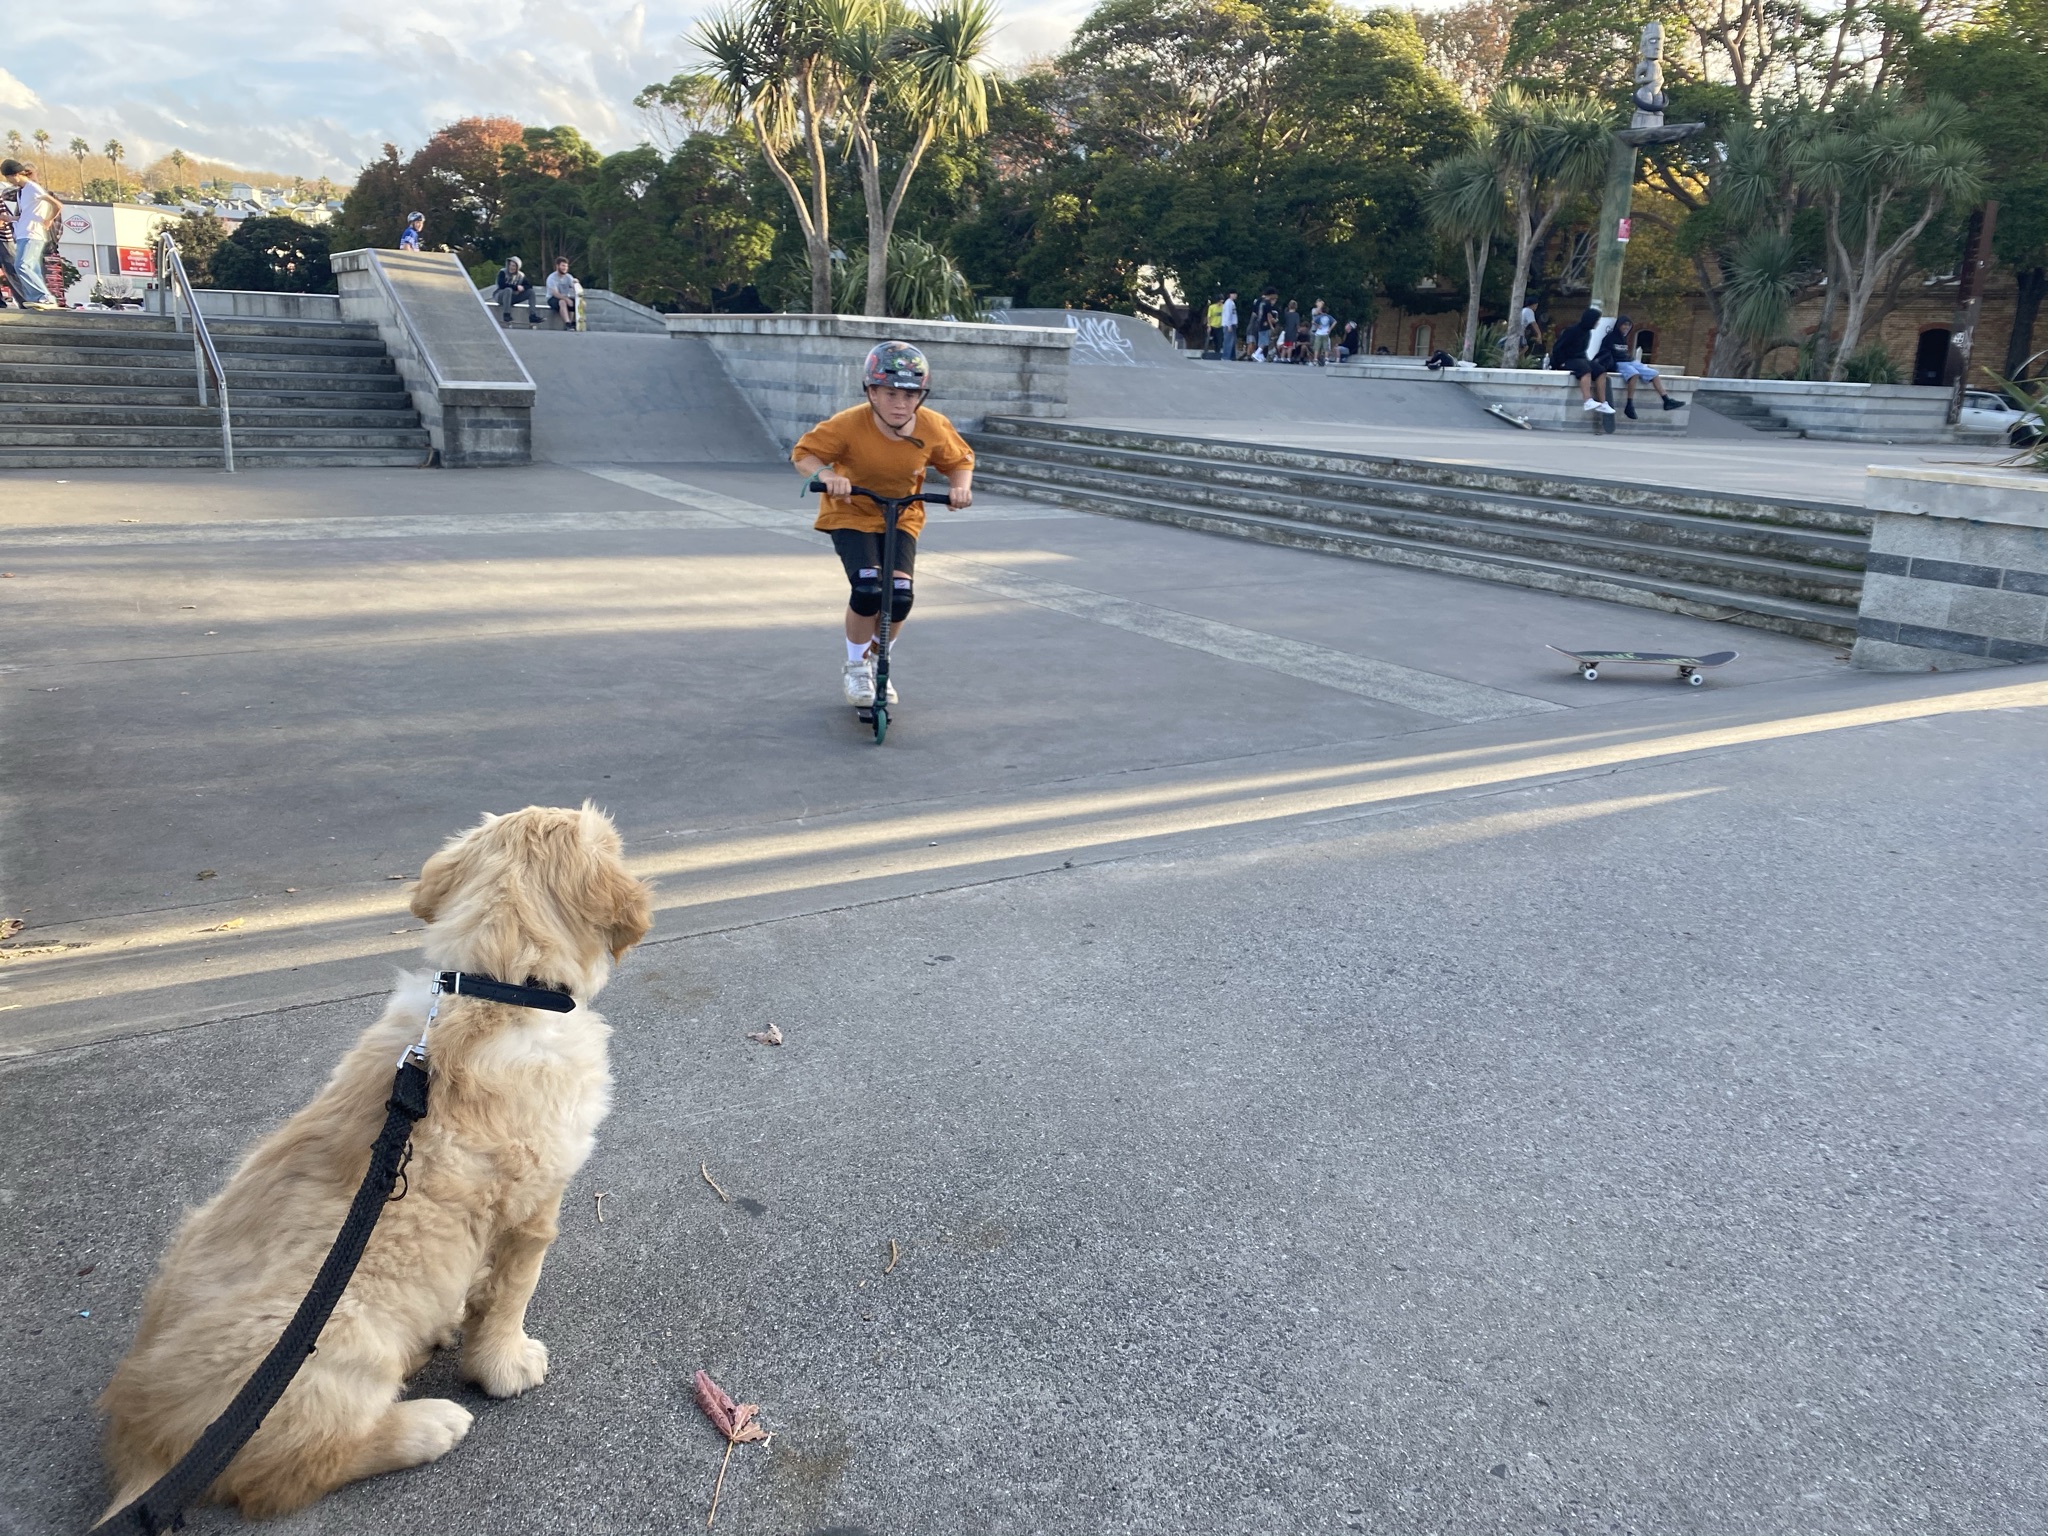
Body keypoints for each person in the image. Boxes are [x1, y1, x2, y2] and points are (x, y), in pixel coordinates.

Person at [791, 342, 976, 707]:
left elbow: (960, 460)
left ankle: (879, 659)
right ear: (872, 392)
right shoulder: (848, 424)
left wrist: (960, 488)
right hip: (851, 512)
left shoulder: (933, 426)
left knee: (901, 596)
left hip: (902, 516)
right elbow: (804, 453)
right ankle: (856, 666)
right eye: (890, 393)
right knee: (868, 590)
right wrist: (827, 474)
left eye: (910, 395)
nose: (900, 404)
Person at [2, 160, 61, 309]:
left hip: (32, 234)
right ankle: (37, 299)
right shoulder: (22, 192)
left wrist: (49, 219)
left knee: (21, 265)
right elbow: (27, 214)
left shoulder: (32, 188)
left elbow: (57, 205)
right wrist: (10, 219)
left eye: (8, 178)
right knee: (32, 268)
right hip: (24, 233)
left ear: (15, 175)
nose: (8, 182)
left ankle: (45, 297)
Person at [1607, 316, 1682, 417]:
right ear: (1619, 325)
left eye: (1628, 325)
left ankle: (1666, 400)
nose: (1626, 327)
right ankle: (1629, 405)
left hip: (1629, 361)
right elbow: (1605, 353)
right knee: (1634, 374)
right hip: (1619, 363)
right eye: (1624, 325)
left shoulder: (1624, 338)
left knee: (1654, 374)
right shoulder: (1610, 338)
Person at [1550, 305, 1614, 416]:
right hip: (1566, 360)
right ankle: (1587, 401)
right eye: (1597, 321)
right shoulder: (1572, 331)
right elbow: (1557, 348)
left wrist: (1589, 362)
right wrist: (1560, 362)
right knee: (1585, 369)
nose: (1598, 323)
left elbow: (1582, 351)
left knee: (1600, 370)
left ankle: (1603, 402)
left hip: (1579, 358)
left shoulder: (1587, 333)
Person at [494, 256, 538, 327]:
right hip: (500, 296)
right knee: (508, 289)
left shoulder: (521, 275)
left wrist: (523, 287)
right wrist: (516, 287)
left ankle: (532, 316)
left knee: (531, 292)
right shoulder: (502, 272)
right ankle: (506, 315)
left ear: (518, 267)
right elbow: (501, 285)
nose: (511, 267)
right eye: (510, 265)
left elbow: (529, 285)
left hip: (512, 298)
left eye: (514, 266)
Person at [544, 257, 579, 330]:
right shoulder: (551, 278)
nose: (565, 268)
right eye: (563, 266)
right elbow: (555, 293)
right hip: (552, 298)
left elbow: (574, 287)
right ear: (557, 266)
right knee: (562, 302)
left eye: (566, 266)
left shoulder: (569, 277)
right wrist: (567, 300)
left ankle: (574, 322)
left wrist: (576, 283)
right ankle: (567, 324)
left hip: (565, 297)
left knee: (579, 302)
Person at [1308, 301, 1335, 366]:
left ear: (1321, 311)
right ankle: (1326, 360)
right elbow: (1335, 322)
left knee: (1317, 347)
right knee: (1326, 347)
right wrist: (1330, 329)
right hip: (1325, 333)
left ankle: (1315, 360)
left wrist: (1317, 326)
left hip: (1319, 333)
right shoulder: (1329, 317)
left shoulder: (1319, 317)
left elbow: (1313, 321)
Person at [1219, 290, 1239, 361]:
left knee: (1232, 341)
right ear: (1230, 294)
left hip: (1232, 324)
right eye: (1234, 294)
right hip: (1228, 325)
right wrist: (1229, 325)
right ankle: (1225, 357)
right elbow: (1228, 314)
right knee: (1228, 341)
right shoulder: (1228, 303)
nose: (1236, 295)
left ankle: (1232, 357)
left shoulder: (1232, 303)